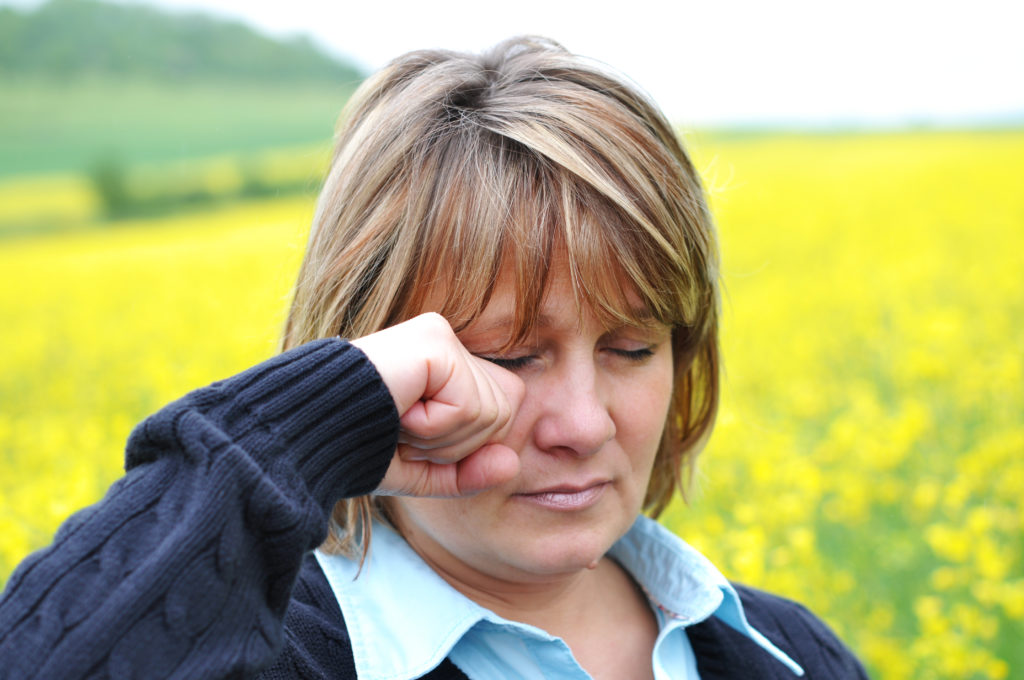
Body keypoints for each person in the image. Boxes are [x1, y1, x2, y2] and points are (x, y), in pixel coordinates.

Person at [0, 37, 868, 679]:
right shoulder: (282, 659)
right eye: (512, 357)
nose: (583, 423)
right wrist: (298, 436)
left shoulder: (783, 653)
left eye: (632, 347)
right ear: (380, 360)